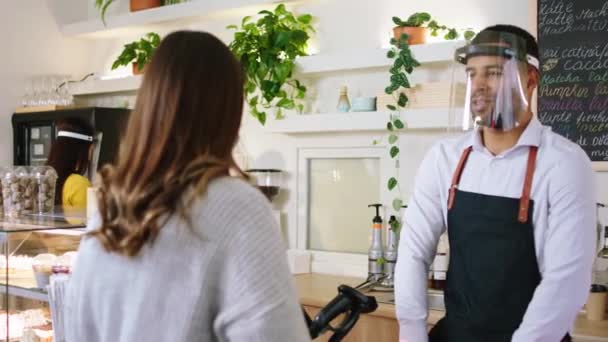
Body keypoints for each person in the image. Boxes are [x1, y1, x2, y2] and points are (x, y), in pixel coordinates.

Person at [64, 31, 310, 342]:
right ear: (229, 115)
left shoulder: (109, 206)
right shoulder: (238, 207)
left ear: (147, 109)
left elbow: (76, 330)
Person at [394, 25, 596, 342]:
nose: (479, 85)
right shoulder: (444, 158)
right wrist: (412, 332)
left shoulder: (565, 164)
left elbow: (566, 281)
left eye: (494, 73)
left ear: (531, 79)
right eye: (473, 74)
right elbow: (412, 253)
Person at [46, 117, 95, 209]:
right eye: (92, 149)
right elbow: (91, 222)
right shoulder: (79, 184)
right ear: (87, 150)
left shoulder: (44, 179)